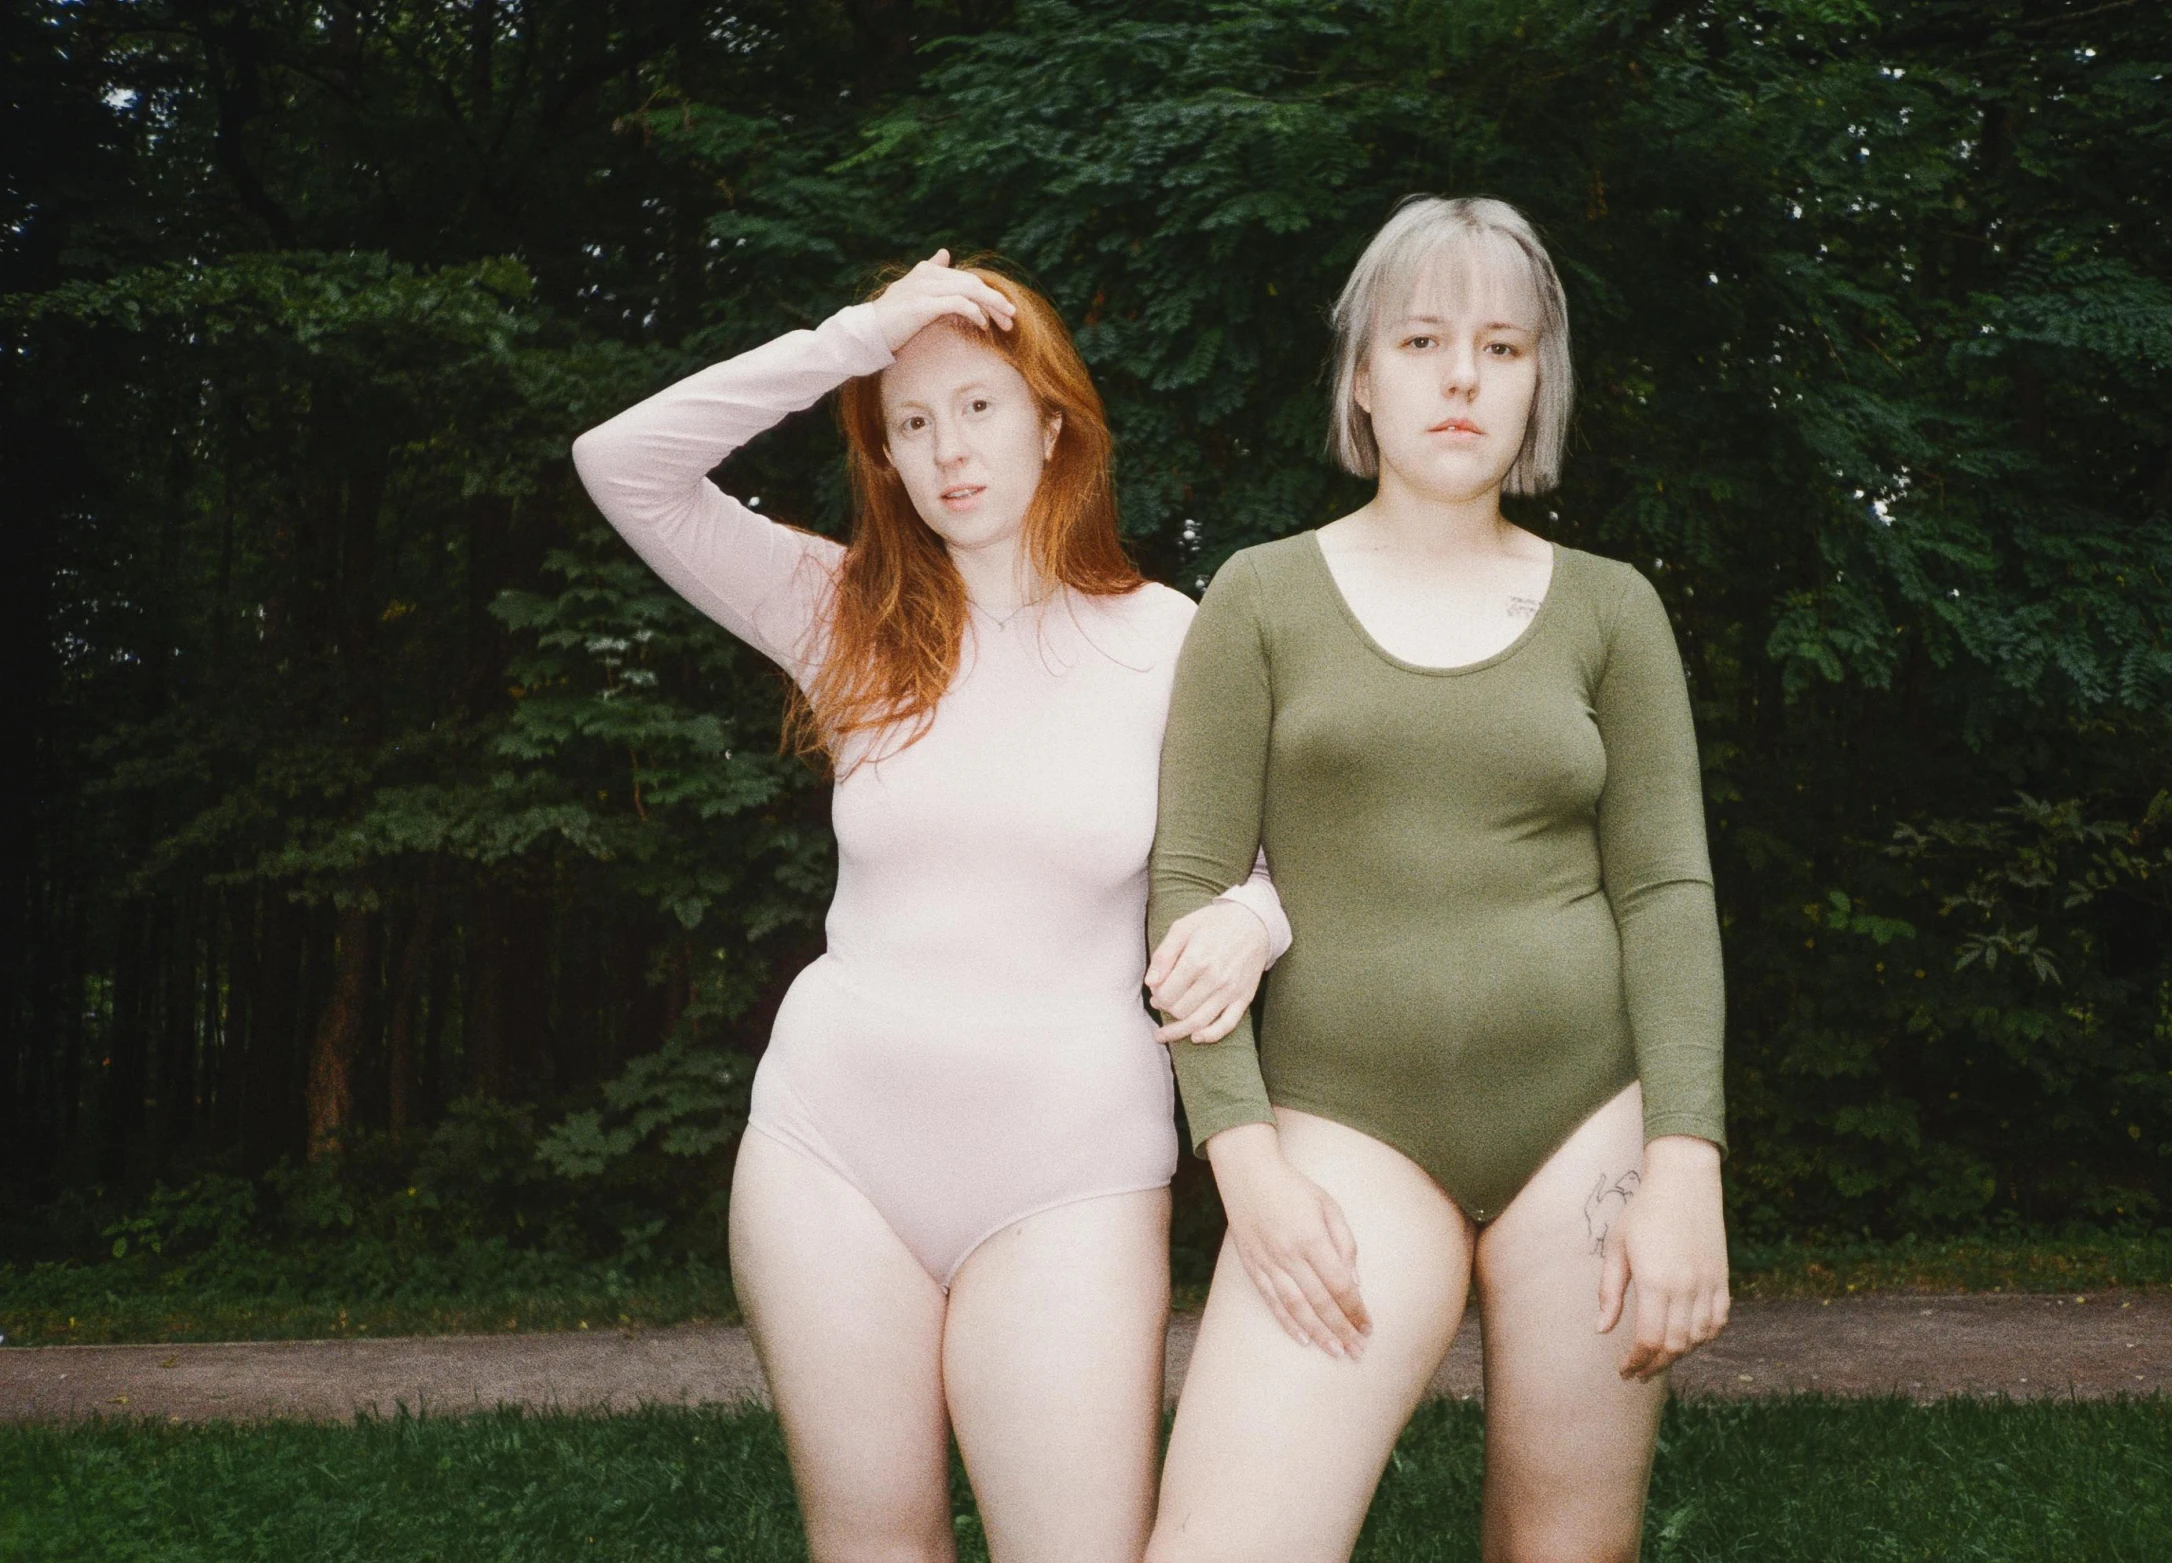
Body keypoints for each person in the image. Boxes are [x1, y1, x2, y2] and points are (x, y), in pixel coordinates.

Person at [571, 252, 1288, 1563]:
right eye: (910, 421)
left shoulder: (1172, 637)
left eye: (979, 406)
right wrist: (852, 338)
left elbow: (1291, 843)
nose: (947, 448)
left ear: (1053, 422)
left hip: (1071, 1171)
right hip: (834, 1155)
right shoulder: (846, 615)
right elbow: (621, 463)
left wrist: (1258, 916)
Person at [1143, 196, 1730, 1563]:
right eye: (1421, 339)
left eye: (1502, 347)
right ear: (1365, 376)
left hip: (1586, 1130)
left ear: (1539, 384)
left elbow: (1667, 893)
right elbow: (1188, 884)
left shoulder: (1612, 608)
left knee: (1568, 1545)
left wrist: (1686, 1163)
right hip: (1342, 1136)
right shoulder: (1260, 597)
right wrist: (1246, 1164)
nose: (1462, 375)